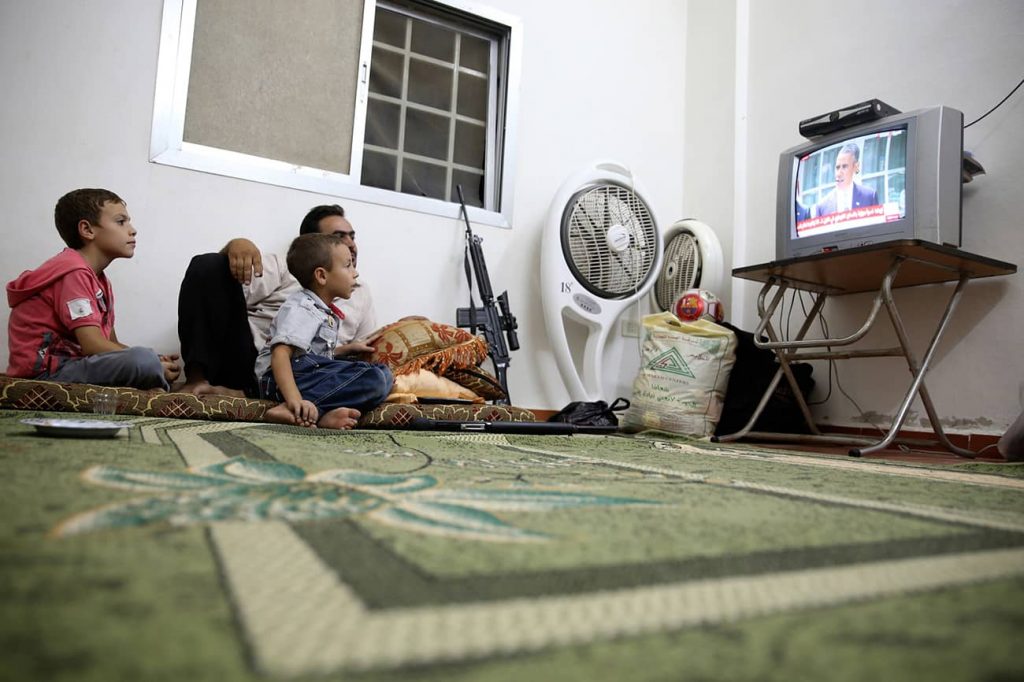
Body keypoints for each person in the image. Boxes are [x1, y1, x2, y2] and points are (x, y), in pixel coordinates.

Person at [176, 204, 376, 397]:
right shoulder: (283, 267)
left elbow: (368, 347)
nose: (350, 244)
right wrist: (235, 246)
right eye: (339, 238)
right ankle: (197, 381)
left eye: (352, 236)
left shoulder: (360, 292)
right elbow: (221, 289)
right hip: (252, 362)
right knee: (207, 264)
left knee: (374, 377)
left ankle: (256, 397)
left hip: (310, 375)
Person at [6, 188, 180, 390]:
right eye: (121, 221)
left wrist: (156, 359)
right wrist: (150, 361)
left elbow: (111, 344)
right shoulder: (73, 273)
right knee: (143, 360)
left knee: (144, 358)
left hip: (74, 365)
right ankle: (152, 379)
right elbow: (93, 346)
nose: (132, 230)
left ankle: (152, 376)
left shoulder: (99, 280)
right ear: (87, 230)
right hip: (46, 373)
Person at [255, 233, 393, 429]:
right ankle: (295, 409)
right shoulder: (303, 307)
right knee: (377, 378)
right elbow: (280, 354)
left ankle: (318, 414)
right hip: (281, 382)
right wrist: (294, 399)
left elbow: (308, 352)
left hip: (305, 375)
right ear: (321, 276)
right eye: (348, 266)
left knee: (378, 372)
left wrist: (344, 350)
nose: (355, 273)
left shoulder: (320, 309)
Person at [813, 143, 879, 217]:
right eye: (837, 167)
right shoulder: (822, 206)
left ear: (856, 167)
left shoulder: (869, 196)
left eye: (844, 167)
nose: (839, 173)